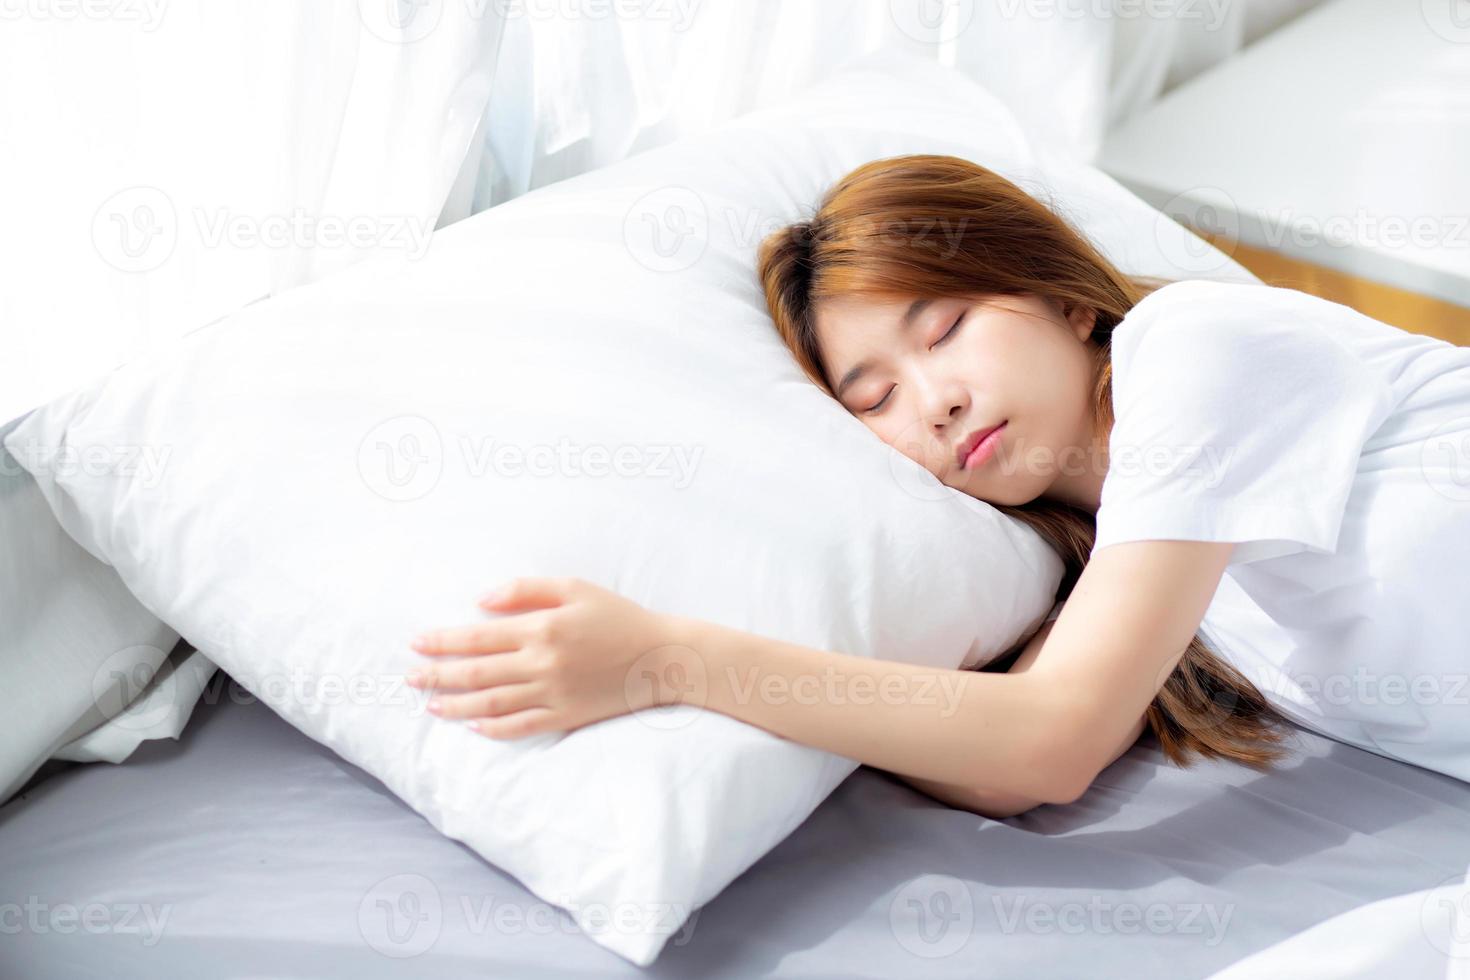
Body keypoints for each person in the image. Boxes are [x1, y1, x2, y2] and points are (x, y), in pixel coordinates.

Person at [403, 154, 1470, 818]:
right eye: (875, 398)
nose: (935, 401)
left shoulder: (1198, 348)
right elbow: (1001, 762)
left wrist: (665, 658)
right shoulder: (1135, 570)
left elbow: (1052, 738)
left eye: (945, 326)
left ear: (1063, 301)